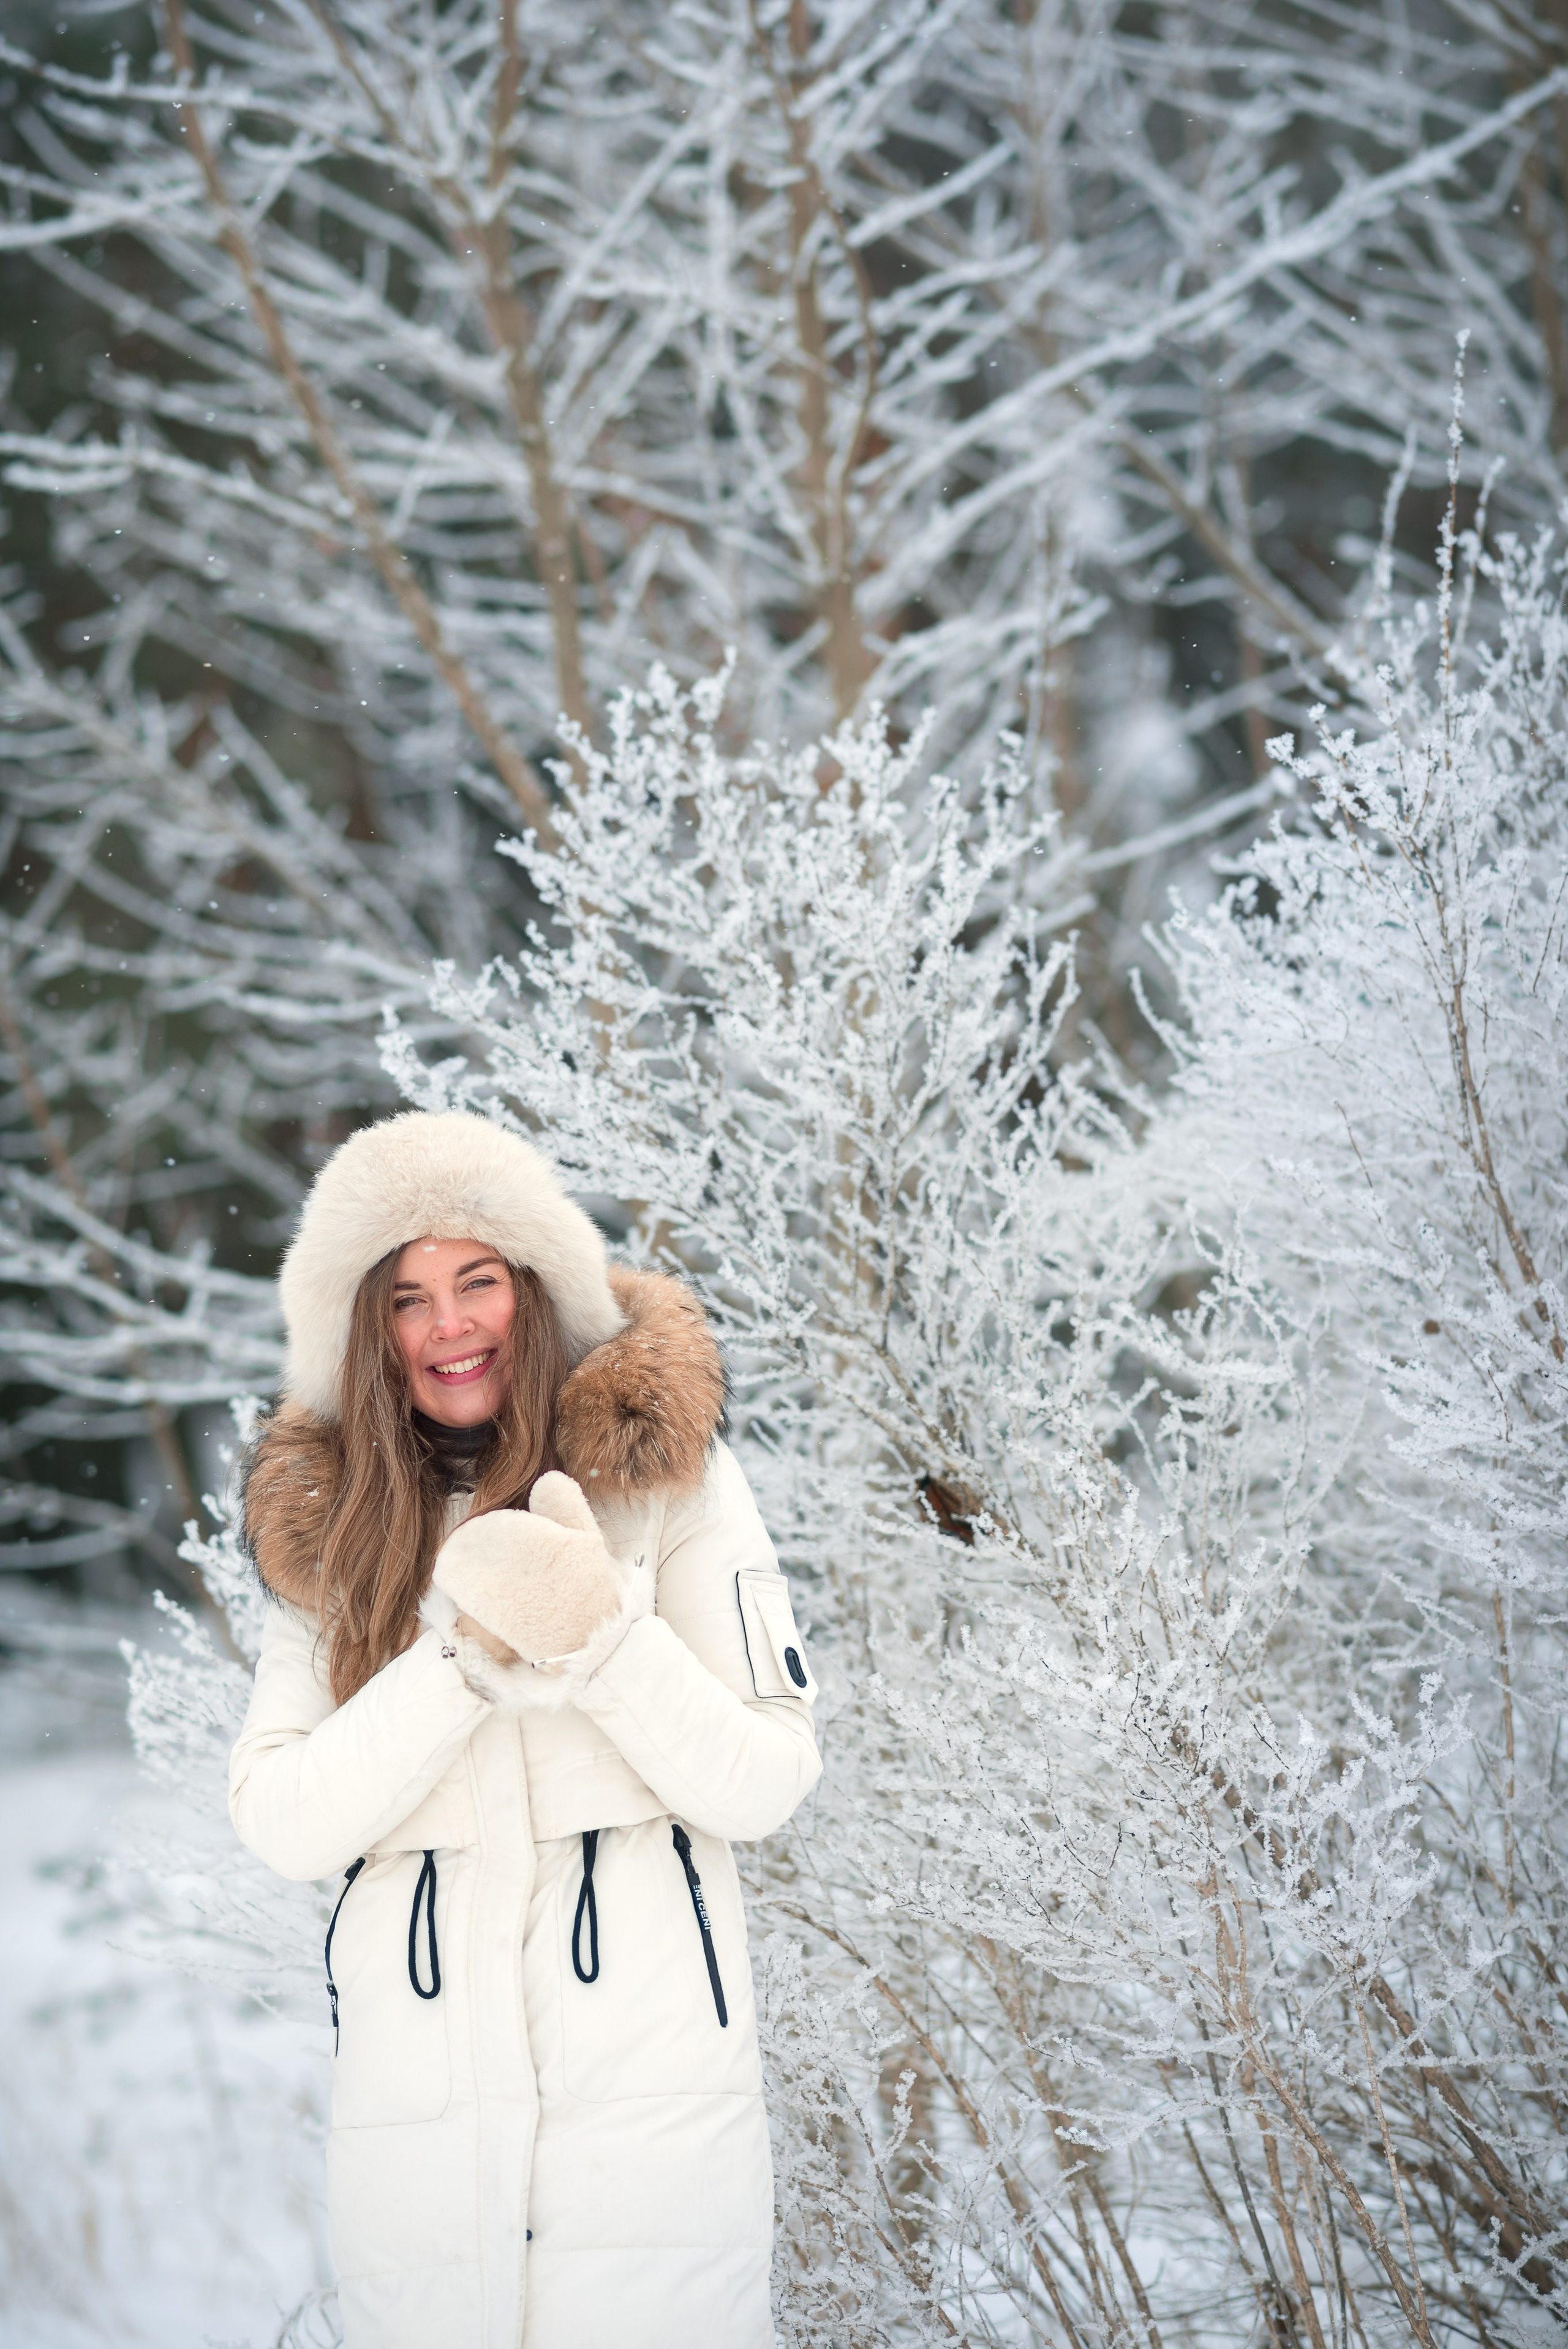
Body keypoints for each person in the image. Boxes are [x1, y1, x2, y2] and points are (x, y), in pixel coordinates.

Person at [229, 1110, 821, 2349]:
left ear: (533, 1286)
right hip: (418, 2151)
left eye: (477, 1280)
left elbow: (766, 1779)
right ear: (366, 1328)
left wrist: (602, 1638)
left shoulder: (668, 1480)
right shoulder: (332, 1531)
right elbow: (283, 1819)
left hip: (656, 2132)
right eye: (407, 1296)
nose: (447, 1322)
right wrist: (460, 1663)